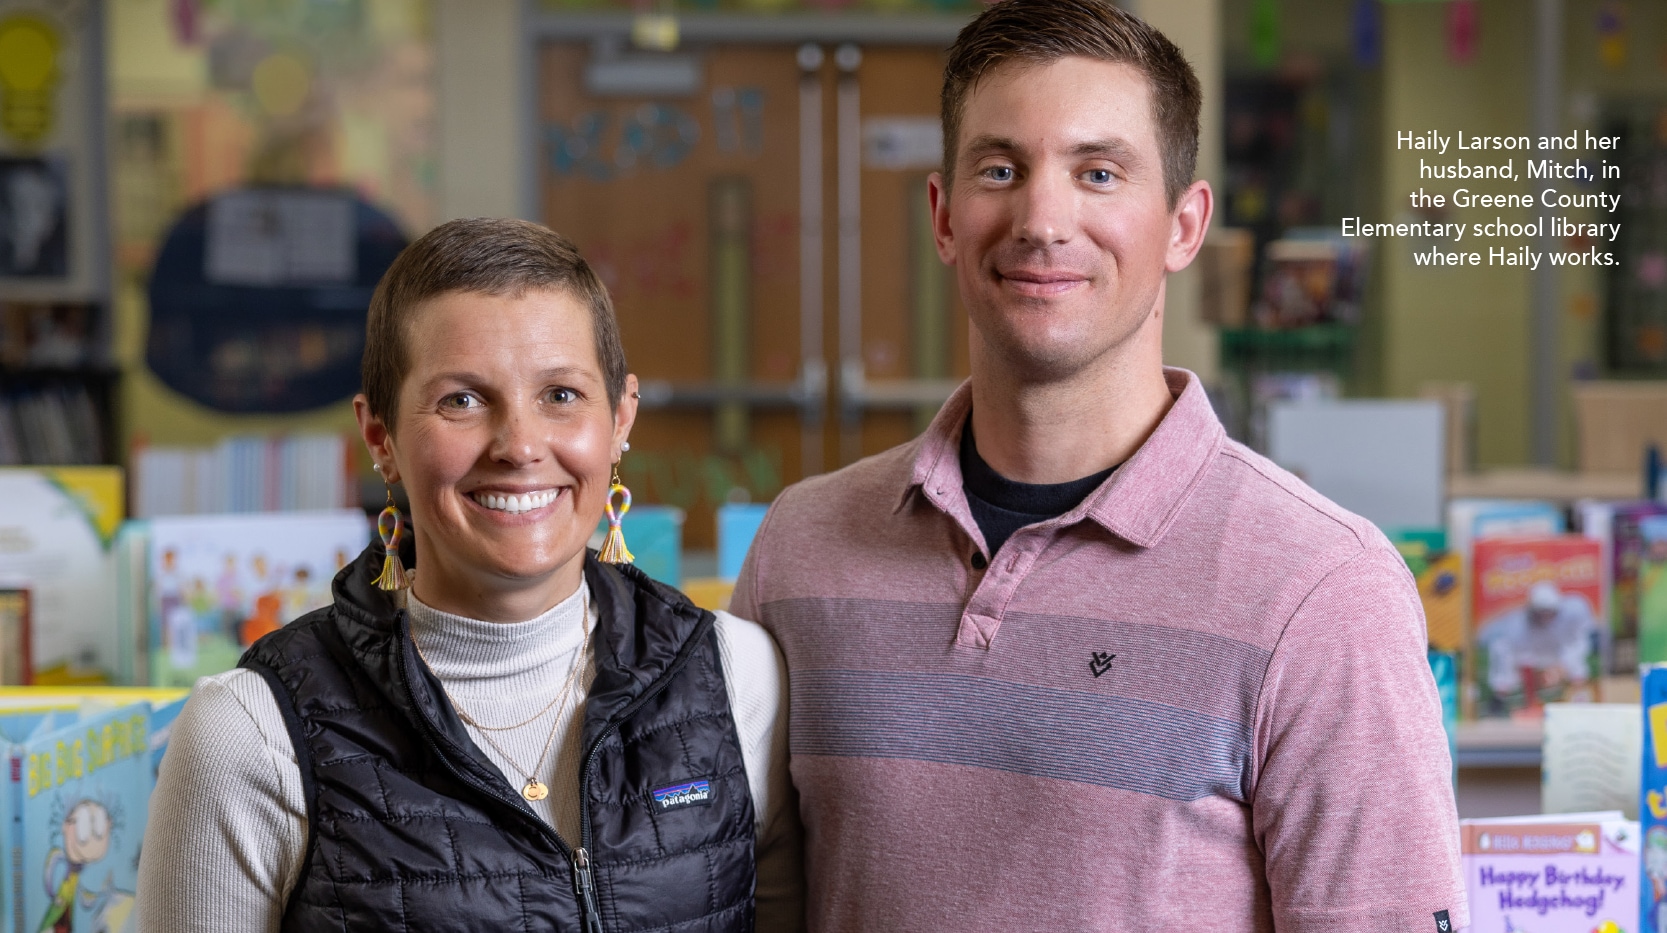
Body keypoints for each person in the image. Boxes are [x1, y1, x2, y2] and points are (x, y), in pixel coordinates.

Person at [730, 1, 1465, 929]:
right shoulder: (800, 546)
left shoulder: (1321, 588)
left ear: (1183, 227)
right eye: (1001, 169)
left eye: (1099, 172)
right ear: (944, 216)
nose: (1043, 218)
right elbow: (750, 898)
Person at [139, 218, 803, 932]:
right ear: (380, 437)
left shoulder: (740, 677)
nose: (519, 445)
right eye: (461, 399)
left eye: (561, 394)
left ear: (619, 418)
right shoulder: (249, 732)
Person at [1477, 579, 1600, 712]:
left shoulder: (1574, 612)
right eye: (1541, 612)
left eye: (1549, 611)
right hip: (1530, 658)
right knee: (1501, 649)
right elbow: (1516, 656)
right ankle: (1502, 700)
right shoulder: (1517, 626)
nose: (1546, 617)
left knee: (1577, 664)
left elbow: (1577, 643)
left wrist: (1570, 671)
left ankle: (1579, 698)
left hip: (1559, 654)